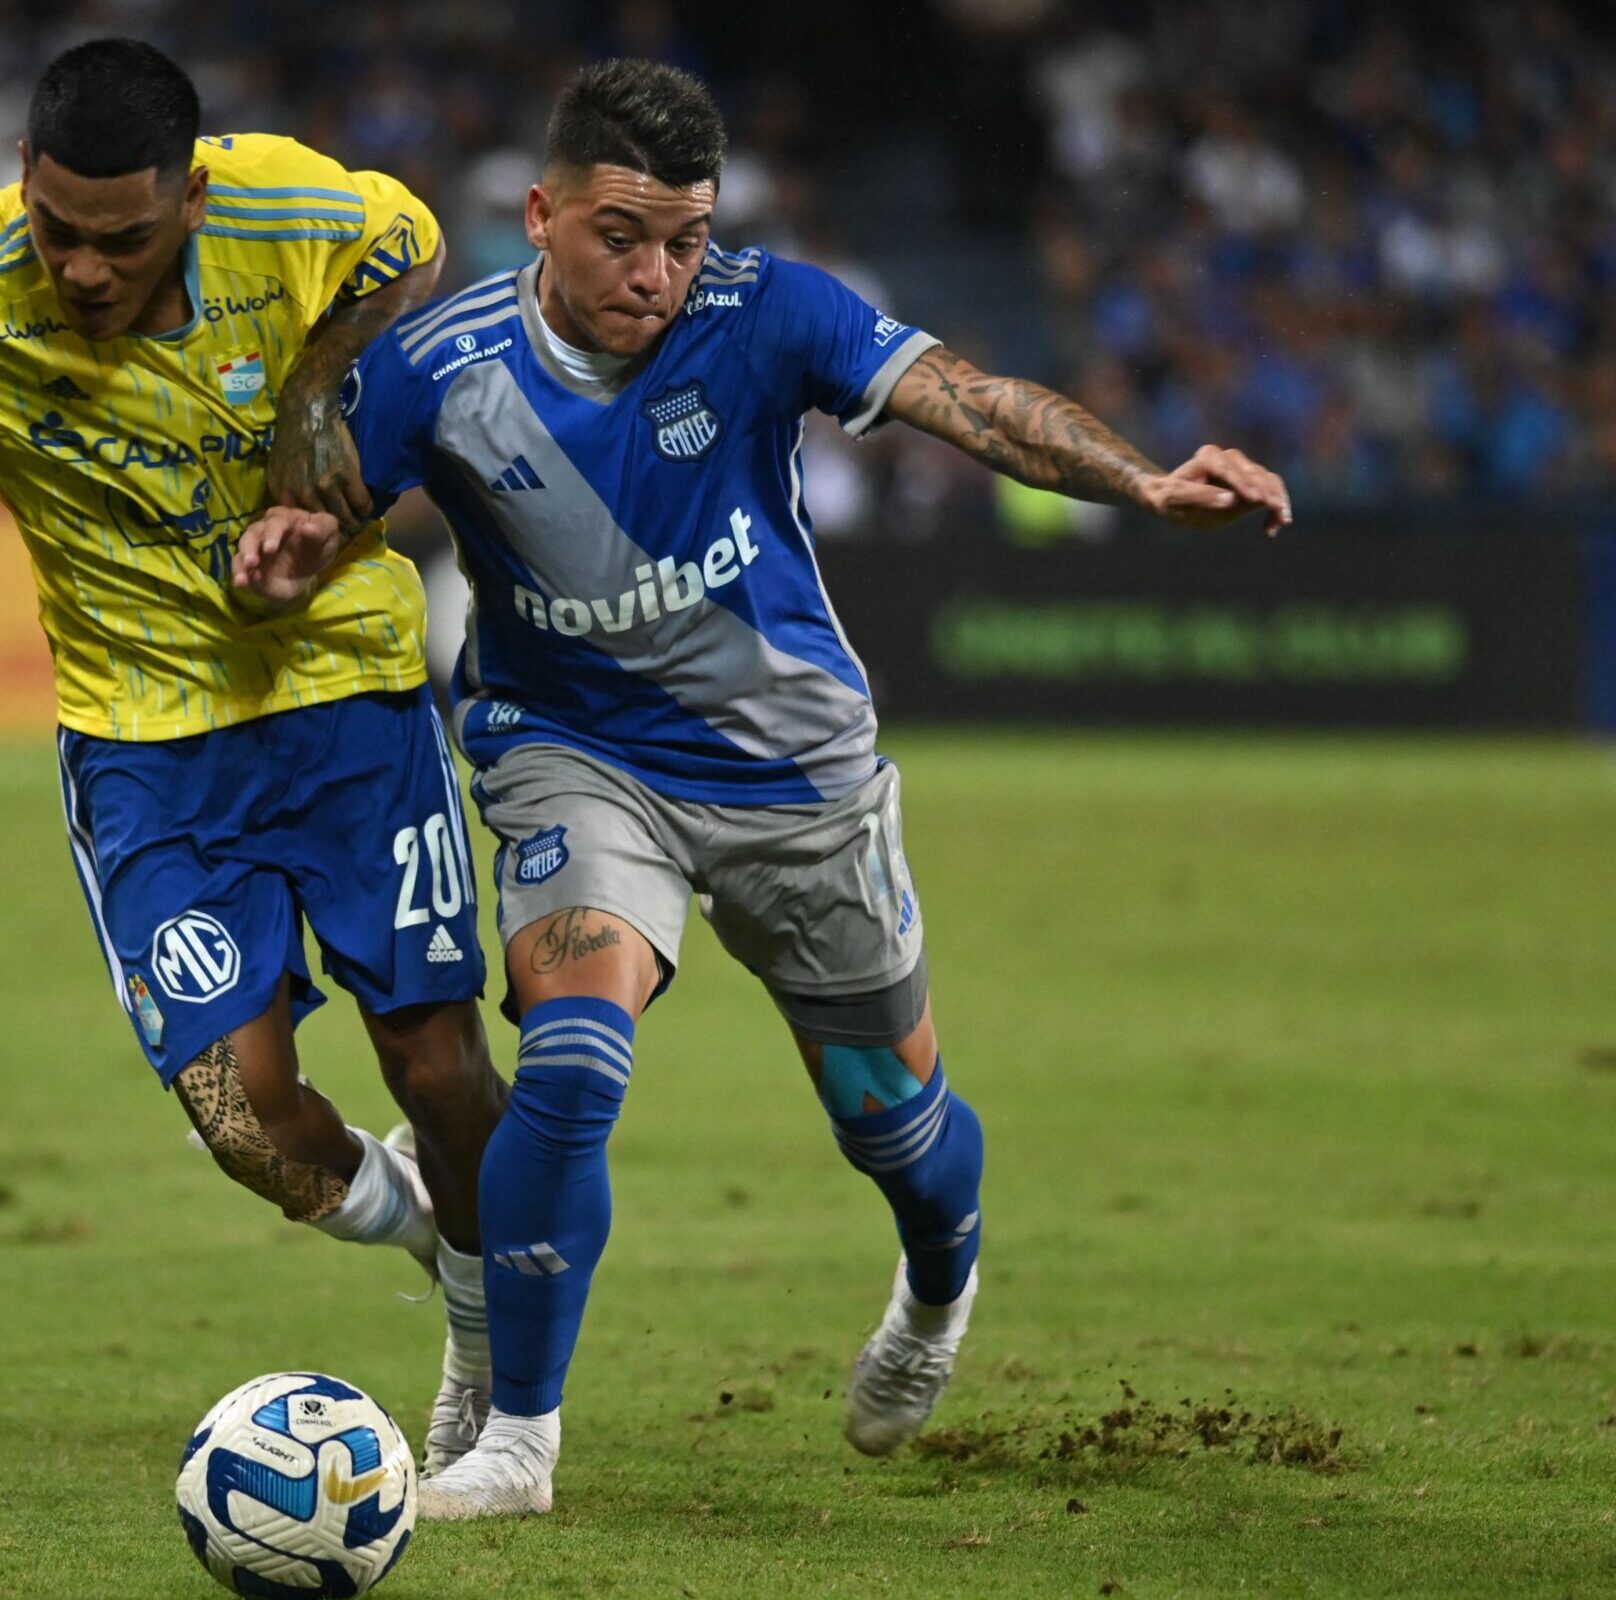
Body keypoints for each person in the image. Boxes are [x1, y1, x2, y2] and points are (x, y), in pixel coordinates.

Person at [235, 58, 1291, 1518]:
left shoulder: (768, 309)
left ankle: (936, 1287)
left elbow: (968, 399)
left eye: (686, 239)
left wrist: (1147, 481)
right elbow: (312, 506)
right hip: (574, 754)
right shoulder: (439, 368)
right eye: (622, 236)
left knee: (890, 1125)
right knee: (572, 1059)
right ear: (539, 215)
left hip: (793, 768)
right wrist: (298, 549)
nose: (660, 273)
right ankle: (521, 1448)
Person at [0, 39, 508, 1466]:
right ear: (20, 183)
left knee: (441, 1065)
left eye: (124, 241)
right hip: (142, 743)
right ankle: (444, 1251)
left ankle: (494, 1334)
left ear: (194, 197)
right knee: (244, 1120)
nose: (83, 271)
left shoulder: (287, 208)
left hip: (346, 691)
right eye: (57, 232)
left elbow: (417, 241)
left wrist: (318, 385)